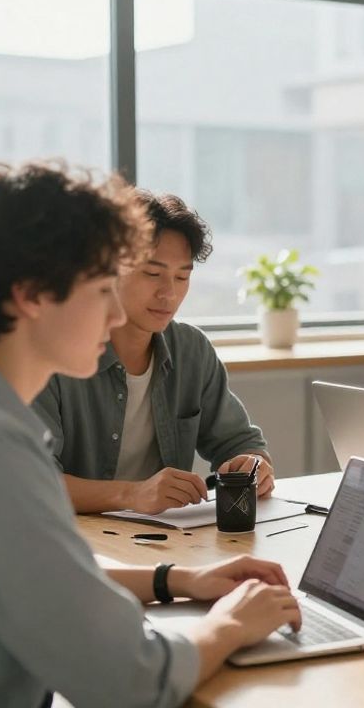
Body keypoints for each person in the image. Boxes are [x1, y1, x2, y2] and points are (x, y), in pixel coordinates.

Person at [0, 162, 300, 707]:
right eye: (101, 287)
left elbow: (40, 575)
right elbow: (132, 681)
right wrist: (232, 625)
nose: (118, 310)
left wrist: (177, 580)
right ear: (31, 295)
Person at [34, 191, 275, 515]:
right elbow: (34, 481)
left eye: (182, 276)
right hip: (80, 543)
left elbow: (239, 442)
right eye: (152, 274)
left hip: (167, 542)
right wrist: (132, 495)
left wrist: (253, 465)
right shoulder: (55, 355)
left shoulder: (191, 350)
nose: (169, 293)